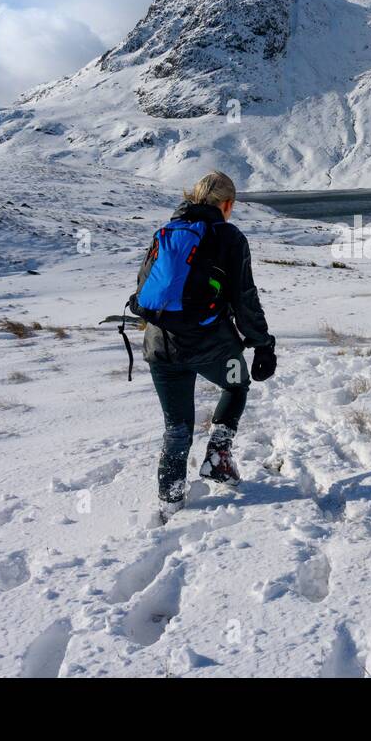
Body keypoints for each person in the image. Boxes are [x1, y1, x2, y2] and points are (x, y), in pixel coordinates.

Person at [134, 170, 276, 521]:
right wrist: (262, 345)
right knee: (237, 383)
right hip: (211, 346)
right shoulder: (230, 238)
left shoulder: (165, 233)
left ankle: (170, 502)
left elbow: (144, 289)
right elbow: (245, 299)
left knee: (177, 427)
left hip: (161, 347)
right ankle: (218, 457)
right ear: (227, 204)